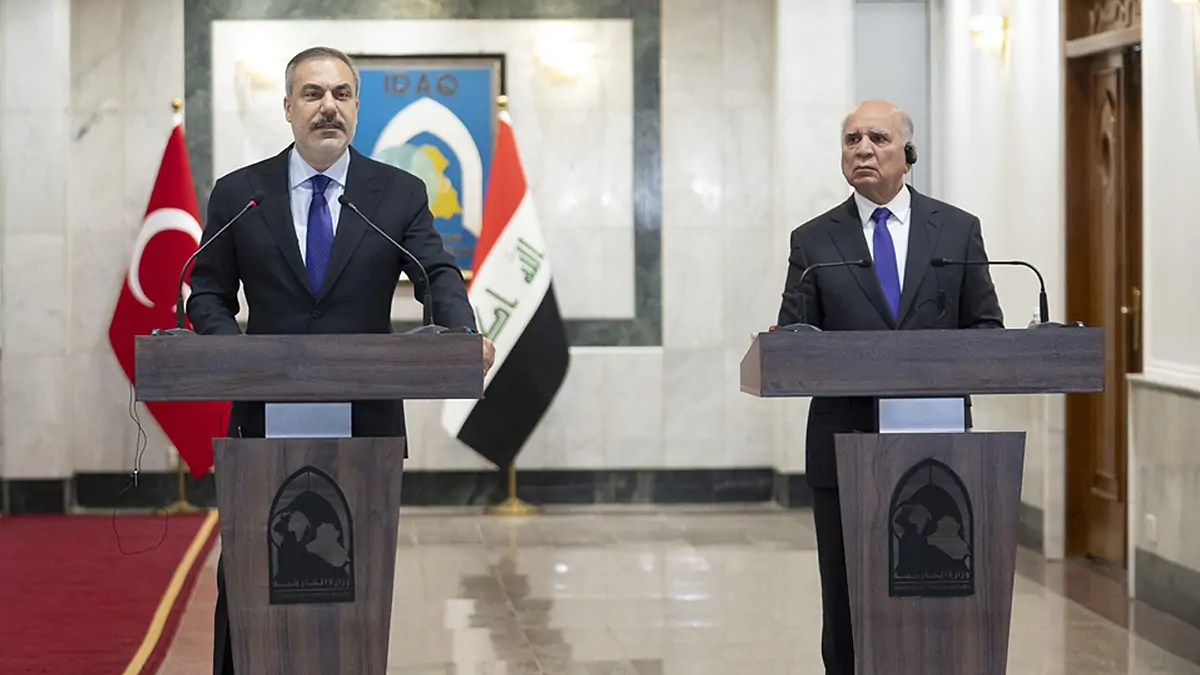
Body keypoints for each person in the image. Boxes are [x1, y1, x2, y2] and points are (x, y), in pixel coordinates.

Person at [186, 45, 495, 675]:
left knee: (354, 589)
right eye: (312, 93)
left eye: (341, 94)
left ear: (356, 106)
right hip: (262, 426)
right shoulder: (241, 194)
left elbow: (437, 273)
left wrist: (461, 333)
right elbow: (208, 292)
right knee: (249, 586)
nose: (328, 107)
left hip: (365, 430)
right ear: (288, 108)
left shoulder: (398, 193)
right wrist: (235, 355)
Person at [775, 99, 1003, 674]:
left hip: (941, 453)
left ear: (909, 154)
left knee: (938, 600)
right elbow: (795, 342)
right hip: (843, 448)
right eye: (852, 139)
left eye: (878, 138)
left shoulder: (957, 230)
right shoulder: (813, 241)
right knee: (847, 602)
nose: (863, 150)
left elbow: (986, 331)